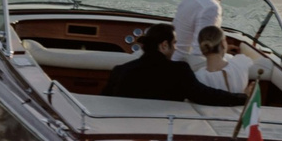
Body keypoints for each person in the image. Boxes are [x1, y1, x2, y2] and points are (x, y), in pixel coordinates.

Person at [103, 25, 249, 105]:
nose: (176, 48)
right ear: (164, 46)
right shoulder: (178, 71)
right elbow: (207, 95)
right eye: (174, 43)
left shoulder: (120, 71)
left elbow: (103, 101)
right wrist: (242, 98)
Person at [175, 0, 238, 66]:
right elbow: (199, 53)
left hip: (175, 56)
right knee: (238, 64)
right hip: (183, 65)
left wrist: (222, 50)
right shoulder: (211, 8)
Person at [190, 25, 259, 96]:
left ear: (202, 48)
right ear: (223, 43)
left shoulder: (198, 78)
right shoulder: (241, 62)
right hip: (240, 106)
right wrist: (246, 93)